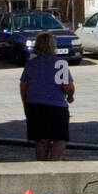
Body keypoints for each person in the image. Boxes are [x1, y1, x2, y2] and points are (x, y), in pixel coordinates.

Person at [20, 32, 75, 161]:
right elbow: (68, 86)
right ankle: (54, 162)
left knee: (41, 139)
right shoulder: (60, 64)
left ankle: (42, 164)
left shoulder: (31, 64)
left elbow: (23, 87)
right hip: (56, 106)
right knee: (60, 138)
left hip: (35, 106)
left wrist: (26, 104)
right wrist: (70, 97)